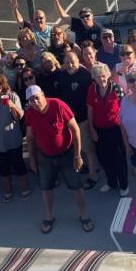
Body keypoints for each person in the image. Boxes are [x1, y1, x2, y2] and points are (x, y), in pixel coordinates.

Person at [24, 85, 94, 234]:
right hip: (45, 156)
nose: (35, 102)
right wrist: (32, 160)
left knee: (76, 186)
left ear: (43, 95)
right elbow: (30, 138)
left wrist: (77, 155)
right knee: (46, 188)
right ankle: (49, 216)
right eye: (31, 100)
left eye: (37, 98)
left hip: (66, 154)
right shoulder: (30, 113)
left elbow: (75, 129)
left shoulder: (58, 105)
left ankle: (83, 215)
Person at [56, 51, 99, 189]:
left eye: (72, 61)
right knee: (78, 147)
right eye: (67, 62)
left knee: (88, 149)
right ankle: (88, 168)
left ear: (78, 61)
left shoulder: (85, 75)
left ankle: (93, 176)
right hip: (69, 120)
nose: (70, 65)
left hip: (83, 118)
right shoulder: (61, 76)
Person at [0, 72, 30, 201]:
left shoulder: (13, 96)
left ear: (2, 84)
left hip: (13, 138)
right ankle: (8, 190)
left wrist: (12, 105)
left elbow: (21, 116)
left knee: (18, 164)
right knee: (3, 167)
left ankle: (25, 188)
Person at [87, 63, 128, 195]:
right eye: (98, 77)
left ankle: (124, 184)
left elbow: (124, 109)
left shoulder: (117, 89)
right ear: (94, 78)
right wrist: (92, 129)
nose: (101, 79)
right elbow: (90, 110)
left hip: (116, 129)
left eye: (103, 76)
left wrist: (125, 130)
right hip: (99, 129)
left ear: (108, 75)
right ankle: (111, 182)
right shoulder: (92, 89)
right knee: (104, 158)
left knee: (119, 158)